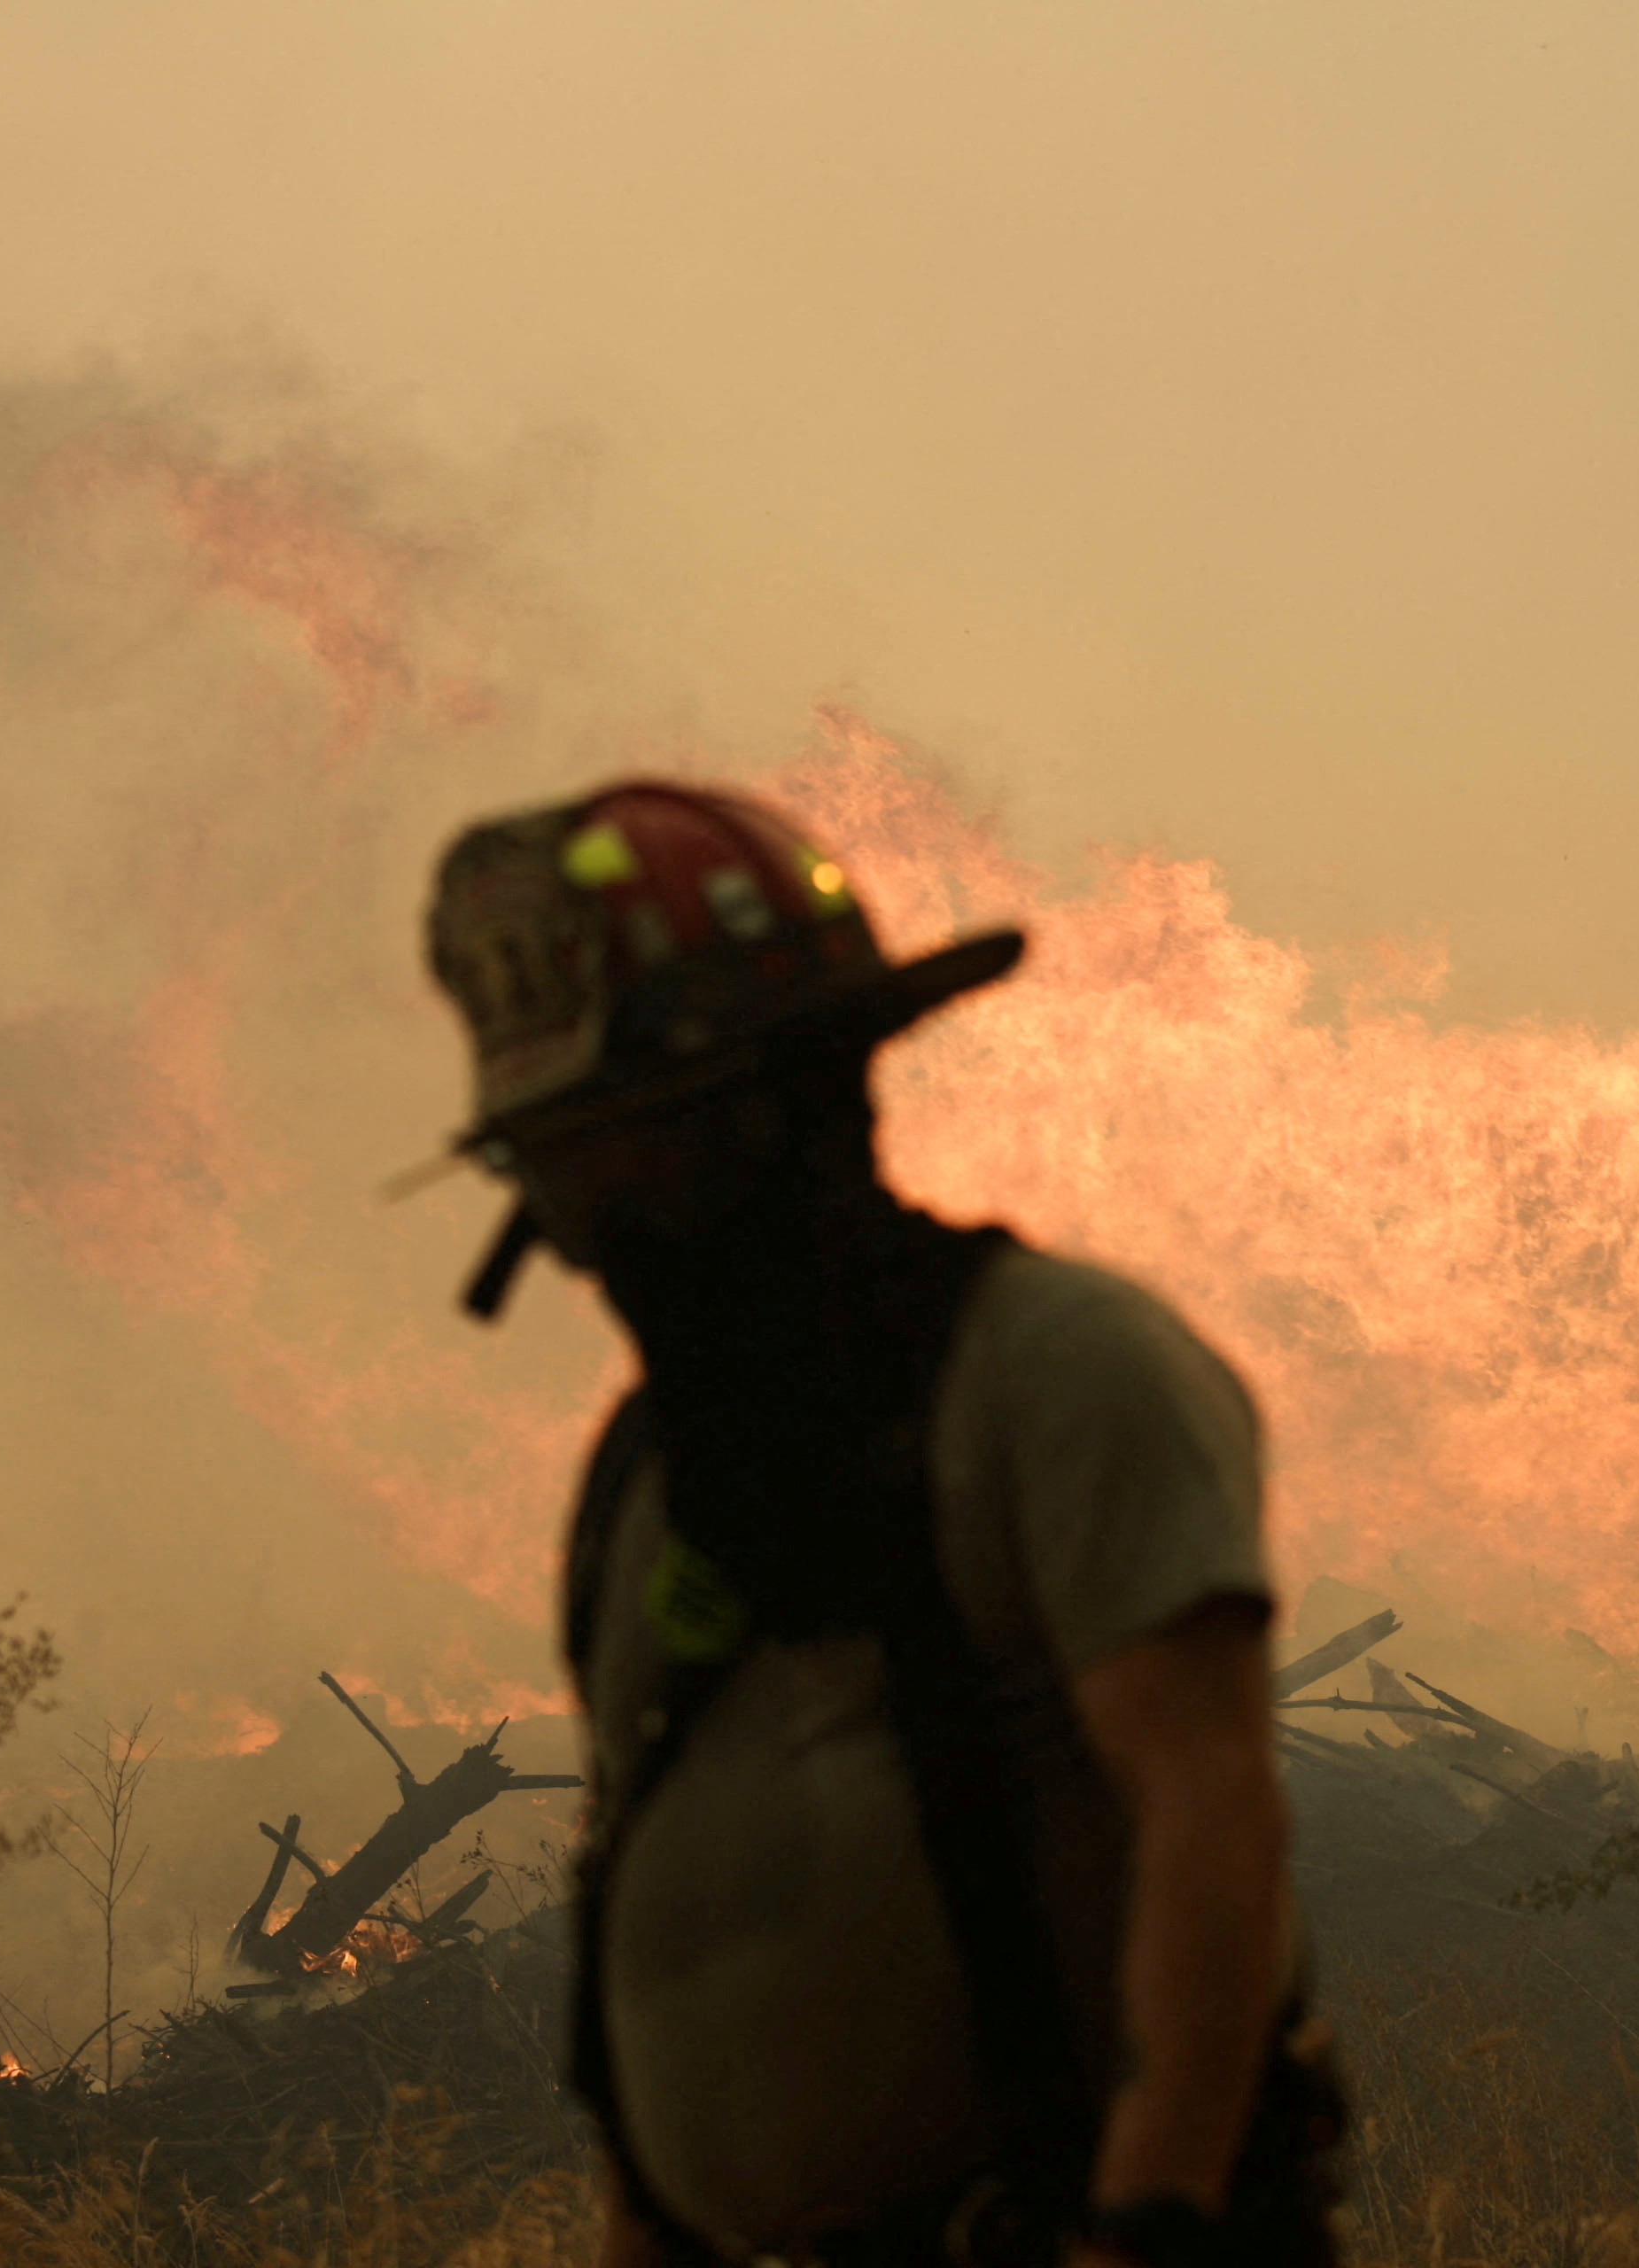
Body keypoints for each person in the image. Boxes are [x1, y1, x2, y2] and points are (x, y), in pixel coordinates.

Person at [422, 781, 1340, 2268]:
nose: (592, 1218)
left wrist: (1151, 2223)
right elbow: (650, 1932)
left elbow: (1209, 1805)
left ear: (782, 1112)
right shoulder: (645, 1488)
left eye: (630, 1144)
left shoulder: (1056, 1373)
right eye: (556, 1160)